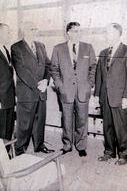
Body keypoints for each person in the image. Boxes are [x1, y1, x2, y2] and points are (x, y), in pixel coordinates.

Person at [94, 23, 127, 165]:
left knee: (122, 127)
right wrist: (96, 96)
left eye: (109, 33)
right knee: (107, 126)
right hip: (105, 96)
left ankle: (123, 155)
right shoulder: (103, 52)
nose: (107, 35)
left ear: (118, 34)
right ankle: (109, 152)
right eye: (106, 32)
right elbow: (99, 76)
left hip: (121, 97)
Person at [51, 22, 96, 157]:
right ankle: (67, 145)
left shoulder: (88, 48)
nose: (78, 34)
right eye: (75, 31)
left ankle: (81, 146)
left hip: (83, 90)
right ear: (68, 33)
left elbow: (93, 67)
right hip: (66, 91)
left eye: (79, 31)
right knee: (67, 120)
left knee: (82, 119)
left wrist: (89, 84)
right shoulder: (58, 49)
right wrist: (60, 86)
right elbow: (54, 69)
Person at [11, 21, 54, 155]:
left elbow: (48, 65)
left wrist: (46, 81)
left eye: (35, 29)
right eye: (31, 29)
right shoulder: (16, 47)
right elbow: (22, 71)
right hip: (27, 93)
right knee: (24, 124)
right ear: (23, 31)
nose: (34, 31)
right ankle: (19, 150)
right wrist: (38, 85)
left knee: (39, 121)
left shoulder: (40, 46)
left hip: (41, 91)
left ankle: (39, 145)